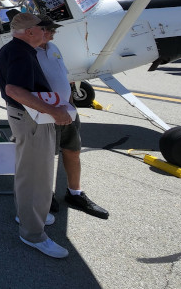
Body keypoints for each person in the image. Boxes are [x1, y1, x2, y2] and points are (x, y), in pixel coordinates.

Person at [0, 13, 73, 259]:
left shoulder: (14, 49)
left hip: (24, 117)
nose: (46, 32)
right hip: (32, 119)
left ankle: (28, 214)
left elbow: (2, 84)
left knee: (28, 171)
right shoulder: (21, 52)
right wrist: (54, 112)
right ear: (30, 31)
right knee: (38, 176)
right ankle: (33, 234)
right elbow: (12, 89)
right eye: (43, 28)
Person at [36, 20, 109, 219]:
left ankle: (75, 193)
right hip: (45, 112)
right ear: (35, 31)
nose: (53, 34)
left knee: (73, 151)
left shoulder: (53, 48)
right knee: (44, 157)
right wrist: (50, 110)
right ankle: (44, 194)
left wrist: (69, 106)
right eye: (49, 30)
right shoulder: (26, 53)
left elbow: (63, 76)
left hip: (67, 108)